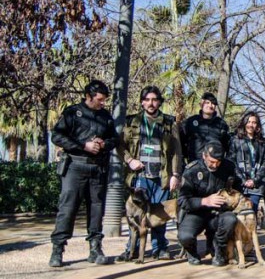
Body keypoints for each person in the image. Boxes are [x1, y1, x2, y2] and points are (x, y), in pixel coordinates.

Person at [49, 80, 118, 268]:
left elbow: (114, 139)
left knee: (96, 210)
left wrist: (104, 144)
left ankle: (95, 248)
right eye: (100, 100)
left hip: (97, 168)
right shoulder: (72, 113)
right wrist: (83, 145)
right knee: (67, 208)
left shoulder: (106, 117)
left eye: (104, 100)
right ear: (89, 97)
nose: (103, 103)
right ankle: (58, 249)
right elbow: (57, 136)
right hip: (75, 166)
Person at [116, 86, 182, 261]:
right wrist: (130, 160)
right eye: (147, 100)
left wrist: (175, 174)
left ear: (159, 101)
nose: (151, 103)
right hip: (139, 177)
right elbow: (120, 146)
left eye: (154, 99)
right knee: (136, 216)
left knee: (160, 214)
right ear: (142, 102)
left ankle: (160, 248)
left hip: (162, 176)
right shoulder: (131, 122)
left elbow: (176, 150)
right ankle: (133, 249)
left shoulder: (169, 122)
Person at [177, 143, 239, 266]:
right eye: (212, 161)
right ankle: (192, 251)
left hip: (218, 212)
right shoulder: (192, 170)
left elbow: (236, 190)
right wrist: (204, 201)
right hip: (196, 212)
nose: (215, 165)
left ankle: (219, 250)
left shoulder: (228, 167)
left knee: (230, 220)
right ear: (204, 156)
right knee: (184, 236)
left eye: (218, 162)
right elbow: (182, 200)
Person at [229, 111, 265, 209]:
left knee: (251, 213)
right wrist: (243, 180)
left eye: (254, 122)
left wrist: (254, 181)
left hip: (256, 187)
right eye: (249, 122)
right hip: (239, 185)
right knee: (238, 215)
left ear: (257, 125)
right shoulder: (235, 140)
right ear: (244, 123)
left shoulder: (262, 143)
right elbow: (231, 162)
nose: (251, 125)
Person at [180, 92, 230, 163]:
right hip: (195, 163)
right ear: (201, 104)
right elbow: (181, 143)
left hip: (215, 165)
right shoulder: (190, 122)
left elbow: (227, 146)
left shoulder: (221, 124)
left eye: (213, 103)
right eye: (207, 102)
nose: (210, 105)